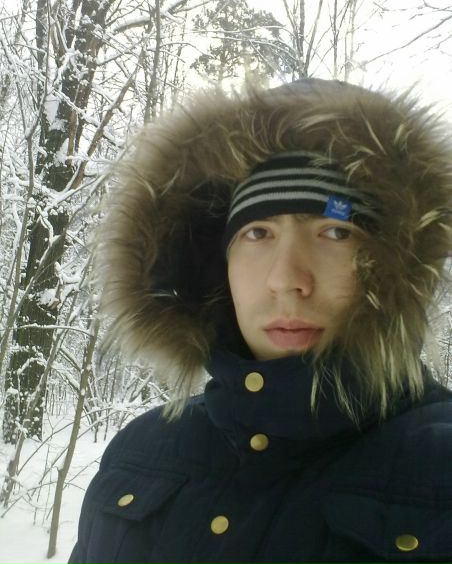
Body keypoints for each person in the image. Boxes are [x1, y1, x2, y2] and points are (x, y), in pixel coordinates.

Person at [69, 79, 452, 564]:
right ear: (220, 267)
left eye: (336, 232)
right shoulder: (140, 451)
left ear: (393, 267)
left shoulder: (437, 467)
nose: (286, 279)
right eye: (257, 232)